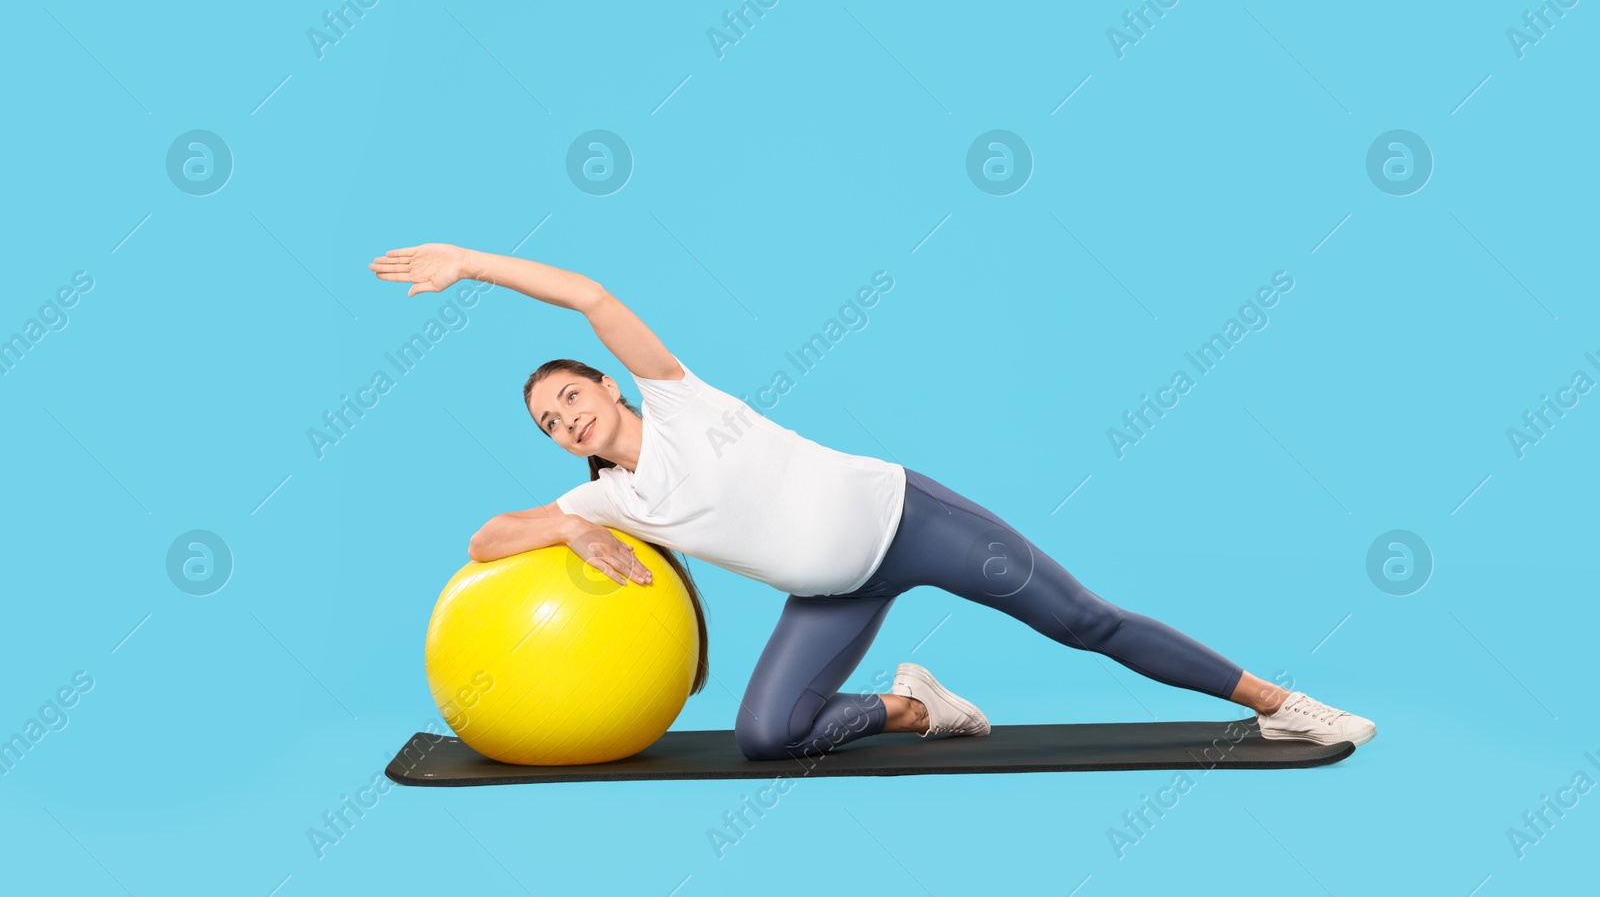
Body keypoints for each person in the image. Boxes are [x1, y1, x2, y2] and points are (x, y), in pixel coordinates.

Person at [370, 242, 1377, 763]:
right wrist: (570, 521)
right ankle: (916, 704)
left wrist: (470, 262)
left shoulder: (678, 400)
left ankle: (1284, 704)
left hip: (908, 522)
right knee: (767, 735)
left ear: (609, 385)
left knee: (1083, 621)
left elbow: (590, 294)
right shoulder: (614, 499)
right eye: (547, 421)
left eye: (571, 398)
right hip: (830, 596)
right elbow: (484, 537)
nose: (564, 421)